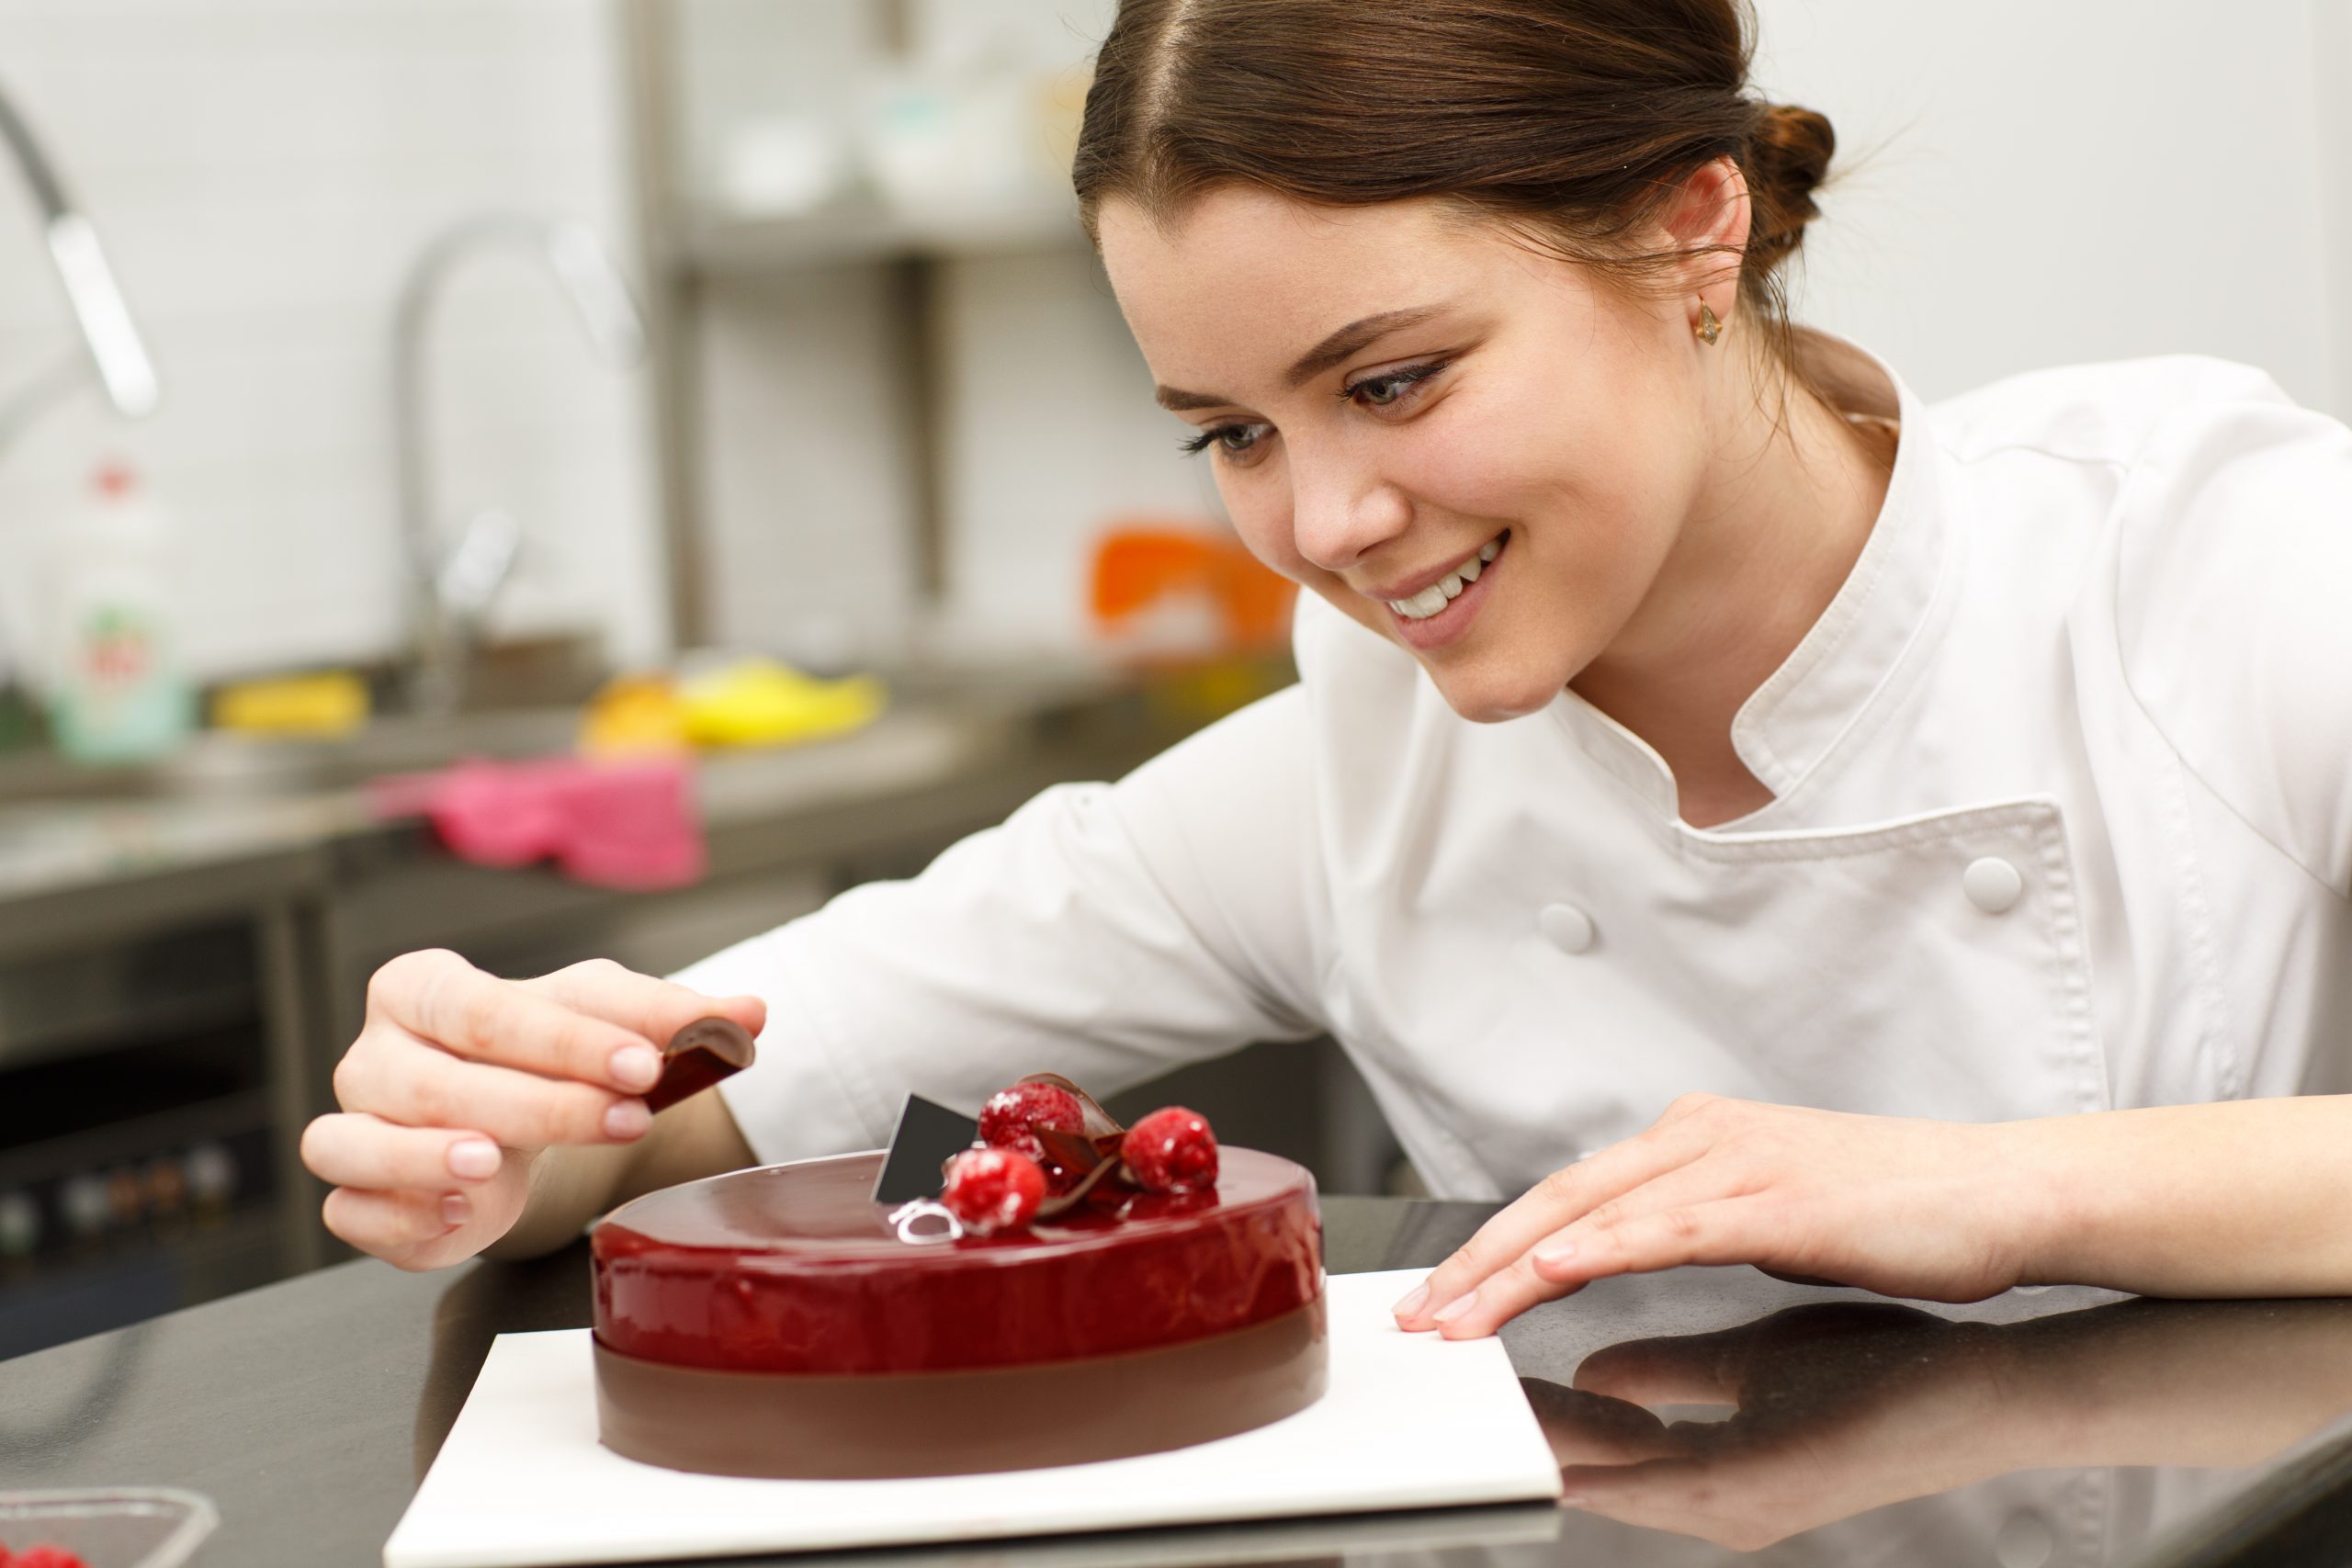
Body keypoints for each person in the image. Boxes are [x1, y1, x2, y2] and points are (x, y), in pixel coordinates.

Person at [300, 0, 2352, 1337]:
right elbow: (729, 1102)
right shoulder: (1352, 770)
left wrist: (1997, 1192)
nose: (1325, 521)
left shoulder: (2203, 555)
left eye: (1390, 379)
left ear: (1690, 234)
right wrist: (508, 1113)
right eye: (1232, 430)